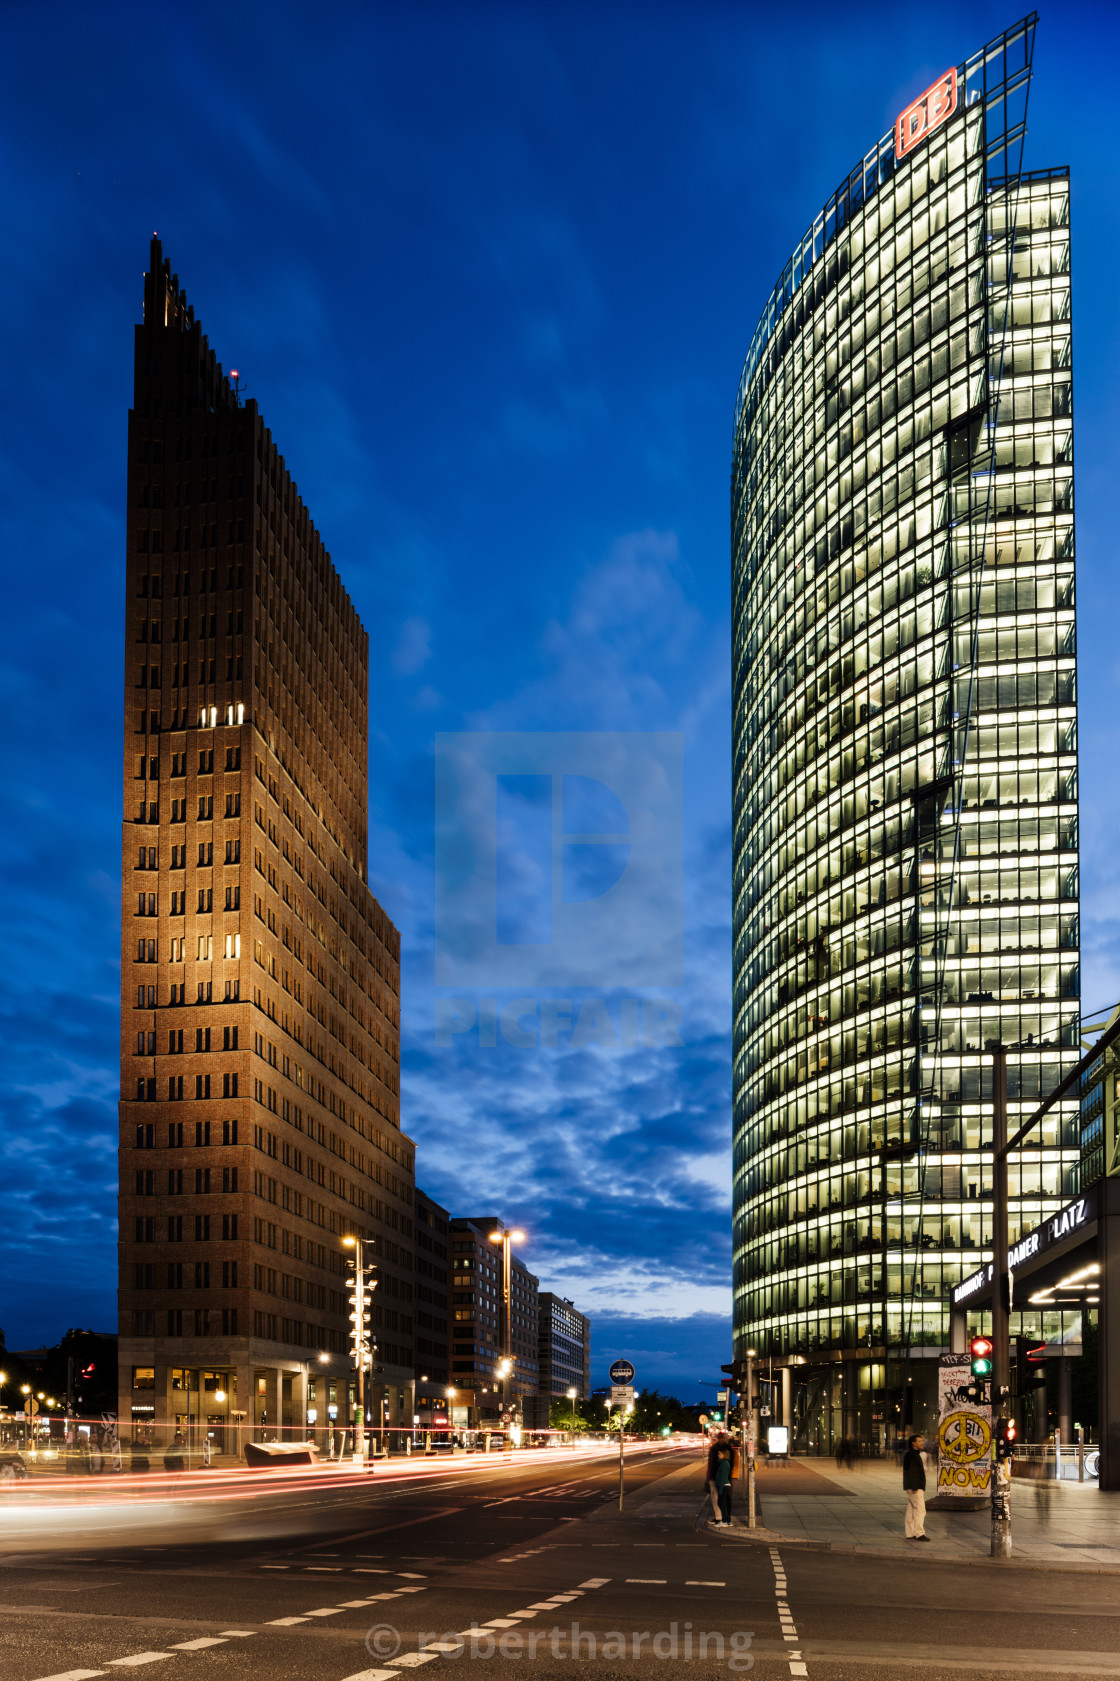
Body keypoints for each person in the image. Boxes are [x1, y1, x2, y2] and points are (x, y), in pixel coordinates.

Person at [902, 1432, 930, 1542]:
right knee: (920, 1510)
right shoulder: (912, 1455)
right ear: (913, 1443)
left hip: (911, 1486)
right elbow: (912, 1472)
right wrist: (915, 1487)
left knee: (911, 1510)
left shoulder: (911, 1454)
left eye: (922, 1441)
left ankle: (910, 1532)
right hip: (915, 1487)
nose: (921, 1443)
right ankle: (919, 1533)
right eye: (919, 1441)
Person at [713, 1444, 733, 1527]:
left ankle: (724, 1521)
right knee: (721, 1503)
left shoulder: (725, 1464)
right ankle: (728, 1521)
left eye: (720, 1454)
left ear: (724, 1455)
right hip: (723, 1485)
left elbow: (723, 1477)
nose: (718, 1455)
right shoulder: (723, 1463)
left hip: (723, 1486)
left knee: (722, 1504)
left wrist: (720, 1489)